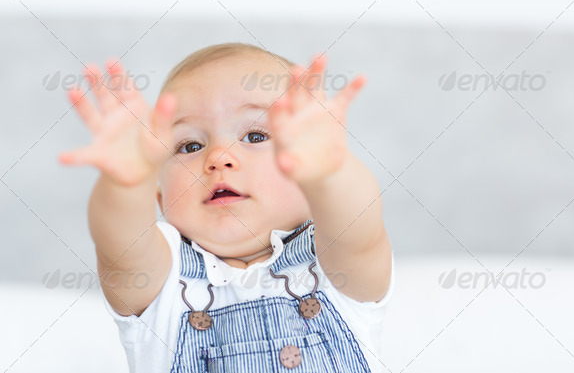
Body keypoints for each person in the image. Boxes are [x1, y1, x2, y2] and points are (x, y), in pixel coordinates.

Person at [59, 42, 394, 372]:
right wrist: (125, 185)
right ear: (157, 199)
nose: (218, 158)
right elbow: (121, 244)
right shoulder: (165, 284)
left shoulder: (331, 267)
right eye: (190, 145)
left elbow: (359, 228)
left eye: (256, 137)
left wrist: (331, 175)